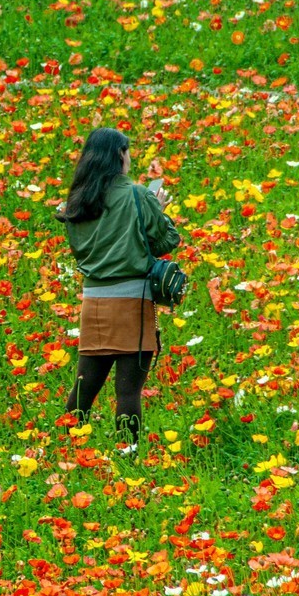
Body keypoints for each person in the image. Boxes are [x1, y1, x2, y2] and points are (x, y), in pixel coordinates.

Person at [55, 127, 180, 451]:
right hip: (132, 301)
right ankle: (128, 454)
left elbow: (82, 251)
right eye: (128, 153)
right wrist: (158, 210)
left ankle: (66, 452)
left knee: (84, 388)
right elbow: (166, 242)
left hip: (94, 303)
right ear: (120, 156)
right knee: (127, 392)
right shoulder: (137, 195)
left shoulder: (78, 201)